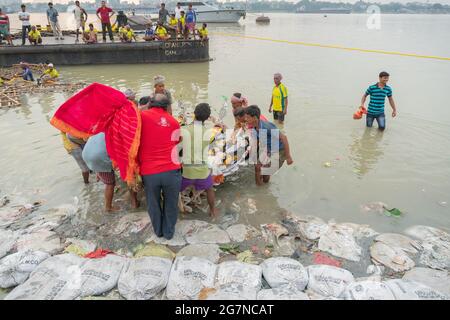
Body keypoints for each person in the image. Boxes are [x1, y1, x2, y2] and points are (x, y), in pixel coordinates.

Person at [139, 93, 182, 240]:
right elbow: (176, 142)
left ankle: (158, 231)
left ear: (150, 104)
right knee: (171, 203)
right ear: (167, 106)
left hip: (149, 172)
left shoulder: (141, 117)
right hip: (171, 170)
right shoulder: (174, 122)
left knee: (153, 203)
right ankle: (169, 233)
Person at [181, 103, 218, 217]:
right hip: (202, 171)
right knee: (209, 189)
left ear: (194, 114)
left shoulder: (183, 129)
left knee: (174, 190)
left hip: (186, 172)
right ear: (207, 117)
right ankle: (212, 211)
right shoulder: (209, 133)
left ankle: (178, 210)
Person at [245, 105, 294, 186]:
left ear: (254, 118)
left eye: (247, 117)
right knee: (257, 167)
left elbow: (284, 138)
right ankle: (259, 190)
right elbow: (257, 141)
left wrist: (288, 156)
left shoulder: (267, 127)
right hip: (269, 149)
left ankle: (265, 186)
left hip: (280, 151)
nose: (245, 119)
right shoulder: (254, 127)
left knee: (266, 172)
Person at [82, 132, 119, 212]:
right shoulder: (115, 130)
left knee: (101, 168)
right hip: (97, 157)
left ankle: (100, 174)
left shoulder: (101, 128)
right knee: (110, 183)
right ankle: (108, 207)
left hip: (87, 154)